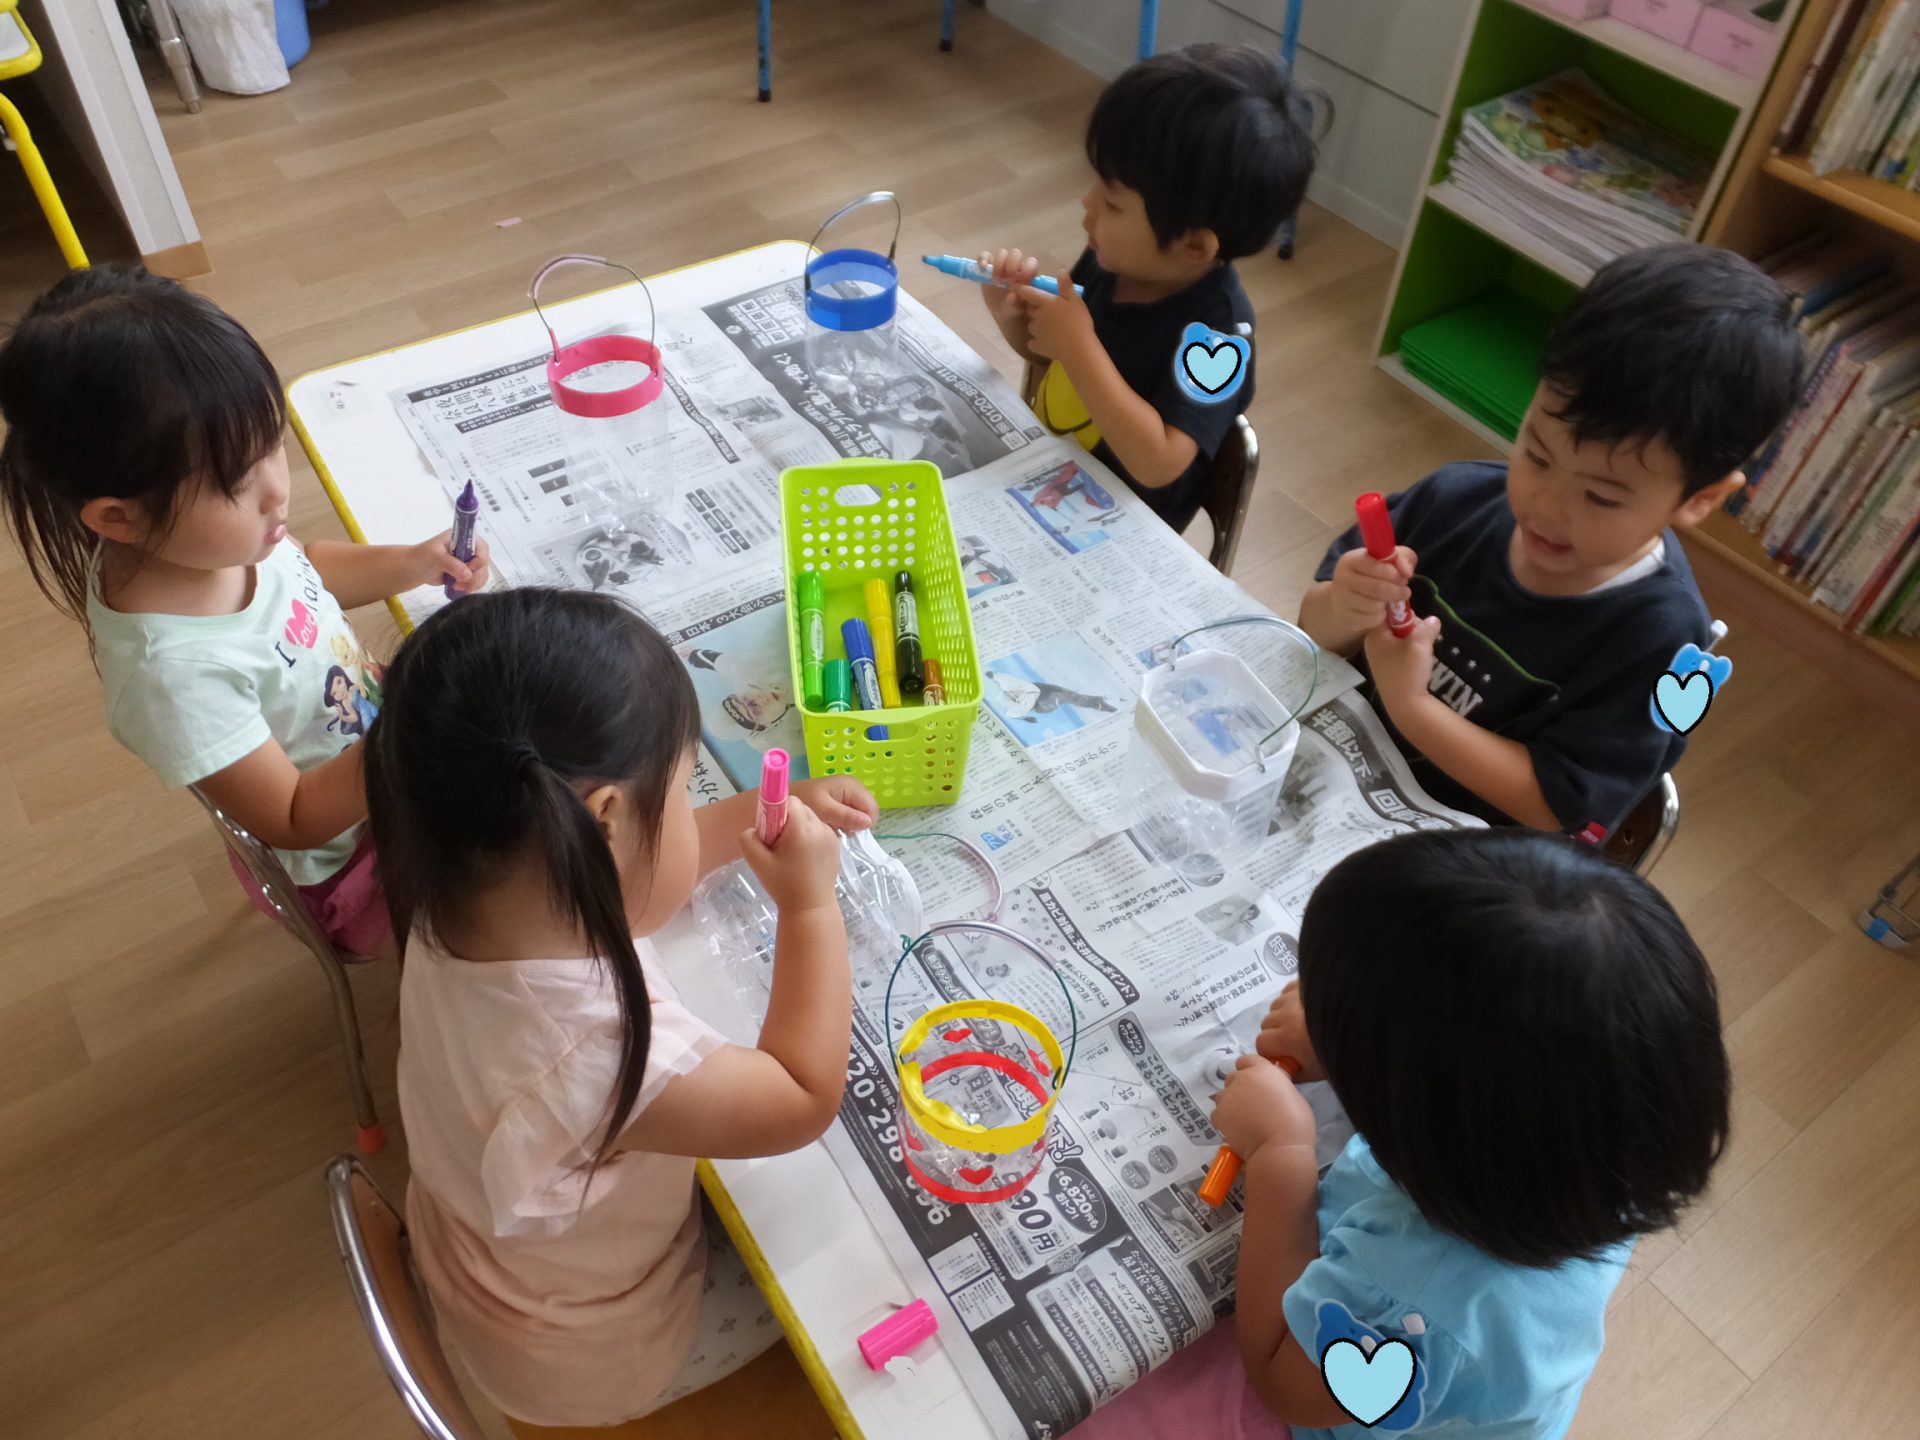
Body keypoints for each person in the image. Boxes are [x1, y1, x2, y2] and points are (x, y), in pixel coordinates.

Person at [366, 587, 879, 1435]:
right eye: (679, 791)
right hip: (595, 1353)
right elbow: (800, 1096)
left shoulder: (450, 887)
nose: (689, 810)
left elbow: (631, 870)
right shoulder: (594, 1054)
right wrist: (810, 908)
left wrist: (759, 813)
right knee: (844, 1271)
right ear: (602, 820)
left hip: (482, 1254)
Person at [1071, 828, 1732, 1440]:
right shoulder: (1596, 1155)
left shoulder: (1413, 1300)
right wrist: (1349, 1041)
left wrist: (1280, 1154)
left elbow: (1280, 1379)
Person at [0, 264, 490, 956]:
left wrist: (413, 562)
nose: (277, 491)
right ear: (118, 517)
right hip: (357, 861)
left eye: (273, 446)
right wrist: (415, 729)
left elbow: (306, 569)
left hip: (379, 741)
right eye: (237, 480)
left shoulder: (201, 545)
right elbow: (293, 817)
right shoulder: (172, 676)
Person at [1298, 244, 1804, 835]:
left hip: (1449, 849)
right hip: (1319, 770)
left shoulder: (1660, 640)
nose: (1545, 507)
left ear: (1701, 499)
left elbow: (1560, 809)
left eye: (1601, 497)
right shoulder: (1453, 498)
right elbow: (1312, 628)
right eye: (1536, 455)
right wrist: (1344, 605)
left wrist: (1414, 708)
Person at [980, 43, 1320, 531]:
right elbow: (1052, 360)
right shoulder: (1111, 260)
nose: (1087, 203)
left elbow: (1160, 462)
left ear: (1193, 246)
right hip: (1044, 479)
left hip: (1113, 530)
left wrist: (1077, 344)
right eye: (1097, 184)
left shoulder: (1219, 338)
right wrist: (1013, 317)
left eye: (1113, 203)